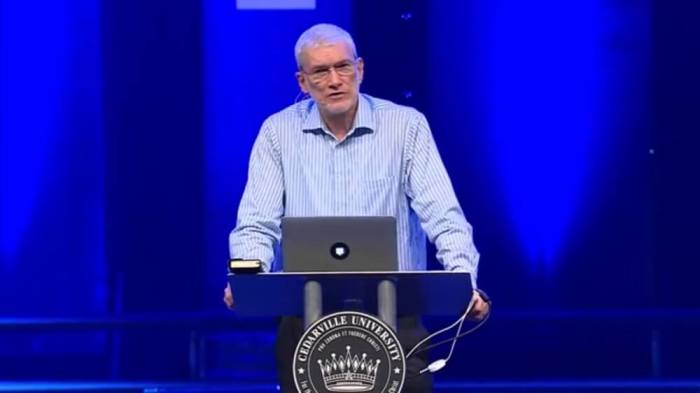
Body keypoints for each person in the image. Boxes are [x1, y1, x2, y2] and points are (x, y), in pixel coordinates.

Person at [224, 23, 489, 392]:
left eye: (343, 67)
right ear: (302, 81)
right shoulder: (276, 133)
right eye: (320, 71)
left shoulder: (405, 126)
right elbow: (256, 224)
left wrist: (464, 280)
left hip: (397, 318)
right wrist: (248, 277)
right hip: (305, 323)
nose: (335, 80)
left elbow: (443, 216)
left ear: (360, 69)